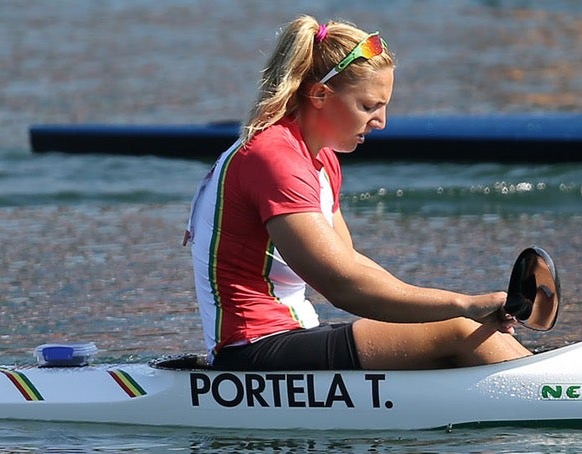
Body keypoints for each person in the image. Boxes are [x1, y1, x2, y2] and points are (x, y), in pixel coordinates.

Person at [184, 15, 532, 371]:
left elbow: (348, 261)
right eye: (368, 106)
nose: (381, 122)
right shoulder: (273, 157)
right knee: (460, 328)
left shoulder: (321, 159)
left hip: (294, 335)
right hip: (250, 350)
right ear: (319, 94)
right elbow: (342, 285)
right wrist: (460, 306)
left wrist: (444, 308)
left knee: (454, 323)